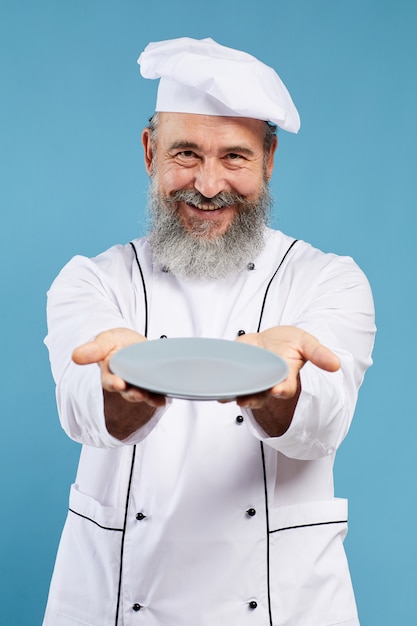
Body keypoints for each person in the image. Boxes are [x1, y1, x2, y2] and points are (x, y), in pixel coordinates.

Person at [43, 37, 375, 626]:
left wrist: (280, 387)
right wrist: (119, 392)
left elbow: (323, 423)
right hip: (120, 605)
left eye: (236, 158)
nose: (209, 184)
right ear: (150, 153)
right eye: (187, 153)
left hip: (281, 609)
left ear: (269, 160)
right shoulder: (92, 281)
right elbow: (82, 409)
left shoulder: (330, 281)